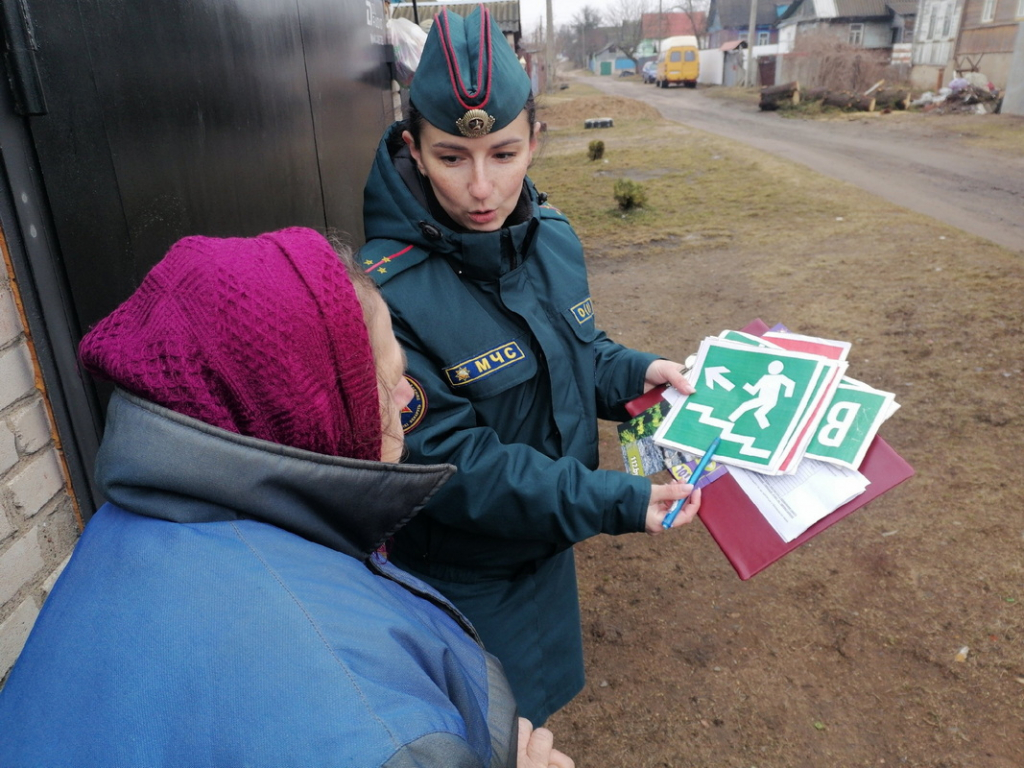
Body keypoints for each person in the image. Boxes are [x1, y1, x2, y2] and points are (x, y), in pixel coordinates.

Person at [0, 228, 572, 768]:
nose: (407, 399)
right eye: (386, 378)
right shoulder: (381, 731)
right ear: (311, 409)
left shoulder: (120, 529)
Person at [359, 6, 702, 726]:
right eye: (452, 157)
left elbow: (575, 354)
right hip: (463, 583)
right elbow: (455, 467)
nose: (481, 189)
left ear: (536, 141)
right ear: (414, 149)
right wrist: (616, 499)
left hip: (546, 554)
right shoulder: (381, 297)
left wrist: (641, 372)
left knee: (535, 724)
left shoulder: (550, 238)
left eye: (504, 154)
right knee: (485, 736)